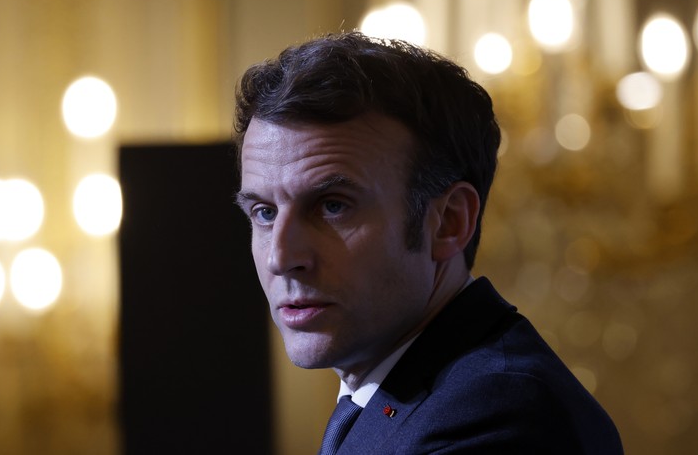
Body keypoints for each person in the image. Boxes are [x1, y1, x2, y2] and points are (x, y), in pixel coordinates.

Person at [234, 32, 623, 454]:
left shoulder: (499, 416)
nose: (281, 257)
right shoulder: (406, 391)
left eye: (332, 206)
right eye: (265, 213)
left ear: (449, 222)